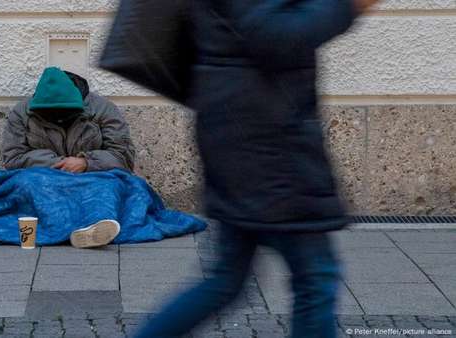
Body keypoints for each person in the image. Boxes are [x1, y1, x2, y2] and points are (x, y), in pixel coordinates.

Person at [134, 0, 380, 337]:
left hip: (244, 135)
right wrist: (347, 7)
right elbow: (274, 36)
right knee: (315, 278)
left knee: (226, 279)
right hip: (269, 148)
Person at [2, 67, 136, 248]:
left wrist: (86, 162)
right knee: (27, 183)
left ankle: (95, 227)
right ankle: (75, 231)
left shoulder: (103, 109)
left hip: (92, 176)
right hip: (45, 176)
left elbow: (123, 156)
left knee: (109, 186)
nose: (58, 118)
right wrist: (56, 163)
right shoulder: (22, 112)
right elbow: (13, 158)